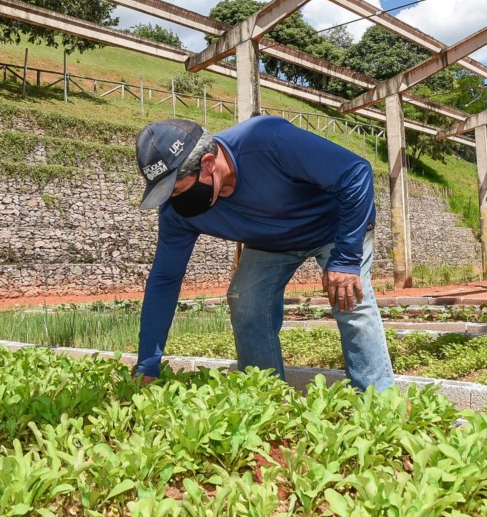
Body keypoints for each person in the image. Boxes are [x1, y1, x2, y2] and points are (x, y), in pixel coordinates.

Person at [133, 116, 394, 391]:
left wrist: (347, 260)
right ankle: (265, 397)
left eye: (177, 189)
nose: (174, 200)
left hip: (335, 227)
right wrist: (148, 364)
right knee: (245, 301)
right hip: (271, 242)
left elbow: (355, 172)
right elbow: (165, 279)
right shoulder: (177, 212)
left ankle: (378, 405)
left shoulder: (267, 140)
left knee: (351, 301)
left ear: (208, 163)